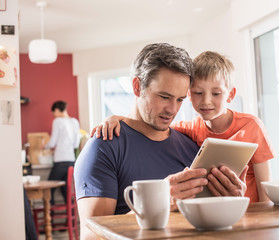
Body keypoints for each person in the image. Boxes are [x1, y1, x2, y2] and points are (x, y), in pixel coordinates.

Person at [75, 43, 247, 240]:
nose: (172, 109)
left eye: (180, 99)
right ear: (137, 87)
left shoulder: (193, 147)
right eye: (164, 97)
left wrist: (232, 201)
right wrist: (156, 204)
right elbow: (91, 236)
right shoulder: (104, 146)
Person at [91, 51, 275, 202]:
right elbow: (151, 124)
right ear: (190, 93)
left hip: (250, 212)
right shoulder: (191, 129)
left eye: (216, 93)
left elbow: (266, 190)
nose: (206, 101)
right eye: (197, 93)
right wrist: (117, 119)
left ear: (230, 95)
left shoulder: (251, 126)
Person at [44, 100, 80, 204]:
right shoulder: (74, 122)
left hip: (60, 160)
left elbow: (52, 142)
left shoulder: (58, 121)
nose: (54, 115)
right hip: (71, 160)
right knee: (66, 191)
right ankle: (71, 218)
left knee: (49, 189)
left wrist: (44, 146)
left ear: (56, 110)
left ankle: (50, 216)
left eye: (53, 113)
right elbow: (75, 144)